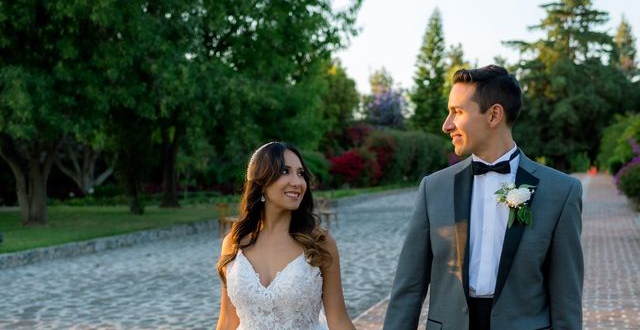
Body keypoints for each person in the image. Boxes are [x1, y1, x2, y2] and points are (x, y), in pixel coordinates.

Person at [383, 65, 583, 330]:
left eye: (457, 112)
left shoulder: (561, 191)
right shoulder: (433, 189)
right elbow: (408, 288)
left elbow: (566, 297)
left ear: (494, 115)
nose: (447, 125)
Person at [216, 141, 355, 330]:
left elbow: (338, 320)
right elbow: (227, 322)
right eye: (284, 171)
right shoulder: (234, 243)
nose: (297, 182)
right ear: (261, 182)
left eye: (300, 174)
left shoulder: (319, 243)